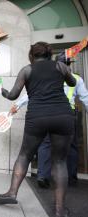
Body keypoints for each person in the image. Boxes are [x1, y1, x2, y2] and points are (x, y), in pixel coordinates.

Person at [0, 42, 76, 217]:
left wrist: (4, 92)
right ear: (49, 54)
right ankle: (60, 210)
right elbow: (73, 82)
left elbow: (14, 95)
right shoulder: (59, 66)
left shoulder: (27, 70)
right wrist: (66, 67)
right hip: (62, 114)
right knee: (59, 162)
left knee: (25, 155)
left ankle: (12, 192)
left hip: (37, 116)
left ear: (32, 55)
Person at [9, 51, 88, 188]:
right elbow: (85, 98)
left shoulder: (44, 75)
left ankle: (43, 176)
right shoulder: (76, 78)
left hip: (44, 113)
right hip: (66, 116)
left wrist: (17, 105)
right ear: (69, 64)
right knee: (70, 149)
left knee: (44, 145)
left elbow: (31, 95)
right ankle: (70, 178)